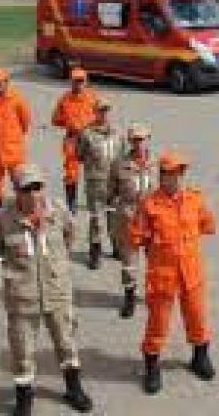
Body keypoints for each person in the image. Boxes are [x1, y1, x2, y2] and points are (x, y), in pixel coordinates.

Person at [0, 164, 92, 415]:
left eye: (37, 187)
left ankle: (74, 389)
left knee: (66, 343)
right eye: (26, 188)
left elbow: (70, 235)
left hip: (57, 291)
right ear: (16, 190)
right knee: (22, 351)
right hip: (22, 297)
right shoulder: (3, 219)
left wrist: (56, 265)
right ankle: (24, 400)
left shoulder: (58, 211)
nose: (33, 194)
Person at [129, 151, 217, 394]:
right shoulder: (149, 205)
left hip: (191, 272)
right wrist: (155, 249)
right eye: (170, 174)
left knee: (197, 317)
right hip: (162, 274)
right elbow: (136, 236)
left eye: (180, 173)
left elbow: (208, 224)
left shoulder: (194, 200)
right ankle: (151, 366)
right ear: (162, 176)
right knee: (158, 324)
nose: (176, 178)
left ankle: (200, 357)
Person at [108, 123, 154, 319]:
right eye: (135, 139)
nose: (139, 143)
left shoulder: (156, 162)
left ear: (148, 139)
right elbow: (111, 191)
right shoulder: (119, 163)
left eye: (142, 139)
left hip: (153, 216)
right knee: (129, 260)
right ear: (129, 141)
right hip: (128, 215)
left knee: (156, 259)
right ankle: (129, 297)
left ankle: (154, 295)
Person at [76, 96, 121, 269]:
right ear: (94, 112)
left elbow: (122, 155)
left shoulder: (117, 132)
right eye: (100, 110)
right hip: (95, 181)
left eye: (106, 110)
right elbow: (79, 155)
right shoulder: (86, 133)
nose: (103, 114)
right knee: (96, 218)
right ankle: (95, 251)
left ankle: (116, 247)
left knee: (114, 215)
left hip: (114, 181)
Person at [51, 68, 98, 212]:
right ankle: (71, 203)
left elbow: (101, 118)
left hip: (90, 137)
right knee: (71, 172)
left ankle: (95, 201)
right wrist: (69, 124)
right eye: (75, 81)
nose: (78, 84)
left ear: (86, 81)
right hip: (72, 138)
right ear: (71, 82)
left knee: (95, 171)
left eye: (81, 81)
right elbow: (55, 120)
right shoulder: (64, 99)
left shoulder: (93, 98)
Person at [0, 69, 31, 210]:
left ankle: (22, 216)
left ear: (6, 82)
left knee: (21, 184)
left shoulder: (16, 98)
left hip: (13, 151)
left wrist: (14, 138)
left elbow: (25, 121)